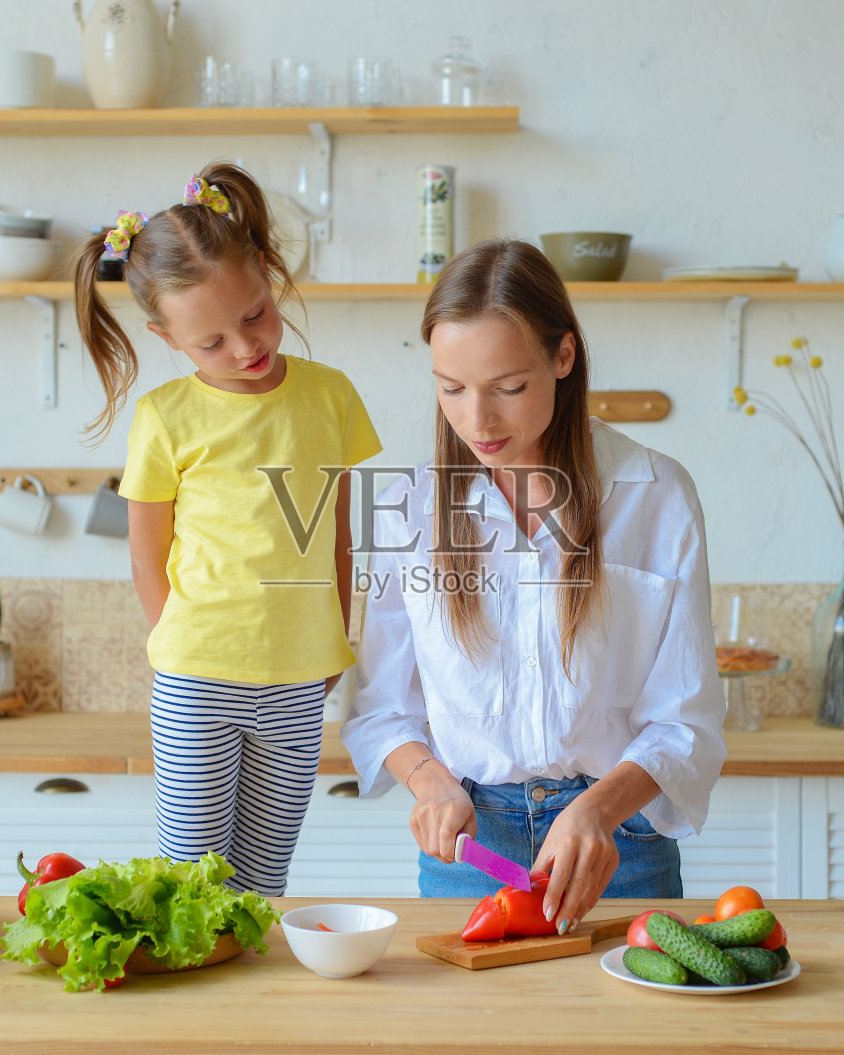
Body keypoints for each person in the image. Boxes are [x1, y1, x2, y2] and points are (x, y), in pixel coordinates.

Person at [340, 238, 725, 932]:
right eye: (451, 387)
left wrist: (596, 810)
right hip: (472, 851)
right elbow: (382, 710)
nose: (476, 420)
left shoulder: (656, 495)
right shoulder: (407, 510)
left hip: (618, 845)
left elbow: (685, 720)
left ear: (563, 357)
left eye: (508, 387)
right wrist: (430, 784)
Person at [73, 163, 382, 895]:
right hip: (197, 682)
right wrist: (184, 650)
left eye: (254, 315)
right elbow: (146, 557)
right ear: (166, 337)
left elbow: (337, 537)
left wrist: (336, 637)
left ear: (269, 274)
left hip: (299, 678)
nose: (245, 348)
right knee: (192, 883)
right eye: (210, 342)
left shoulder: (331, 396)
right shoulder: (163, 418)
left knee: (264, 883)